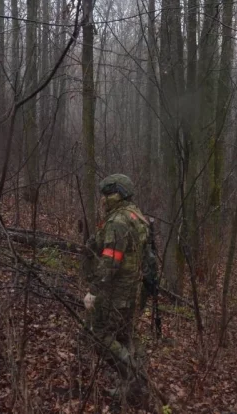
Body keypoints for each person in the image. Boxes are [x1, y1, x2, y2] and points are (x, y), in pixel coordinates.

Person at [83, 173, 155, 409]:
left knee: (100, 336)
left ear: (118, 195)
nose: (103, 200)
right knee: (125, 337)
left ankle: (135, 377)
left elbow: (111, 262)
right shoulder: (136, 216)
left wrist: (94, 291)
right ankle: (134, 385)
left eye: (107, 195)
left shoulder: (118, 222)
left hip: (116, 292)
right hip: (132, 291)